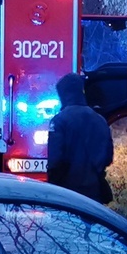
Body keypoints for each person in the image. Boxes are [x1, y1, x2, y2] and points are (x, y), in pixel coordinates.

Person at [44, 72, 114, 203]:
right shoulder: (100, 120)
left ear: (63, 94)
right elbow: (108, 157)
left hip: (67, 194)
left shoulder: (59, 121)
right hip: (94, 193)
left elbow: (55, 161)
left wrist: (53, 187)